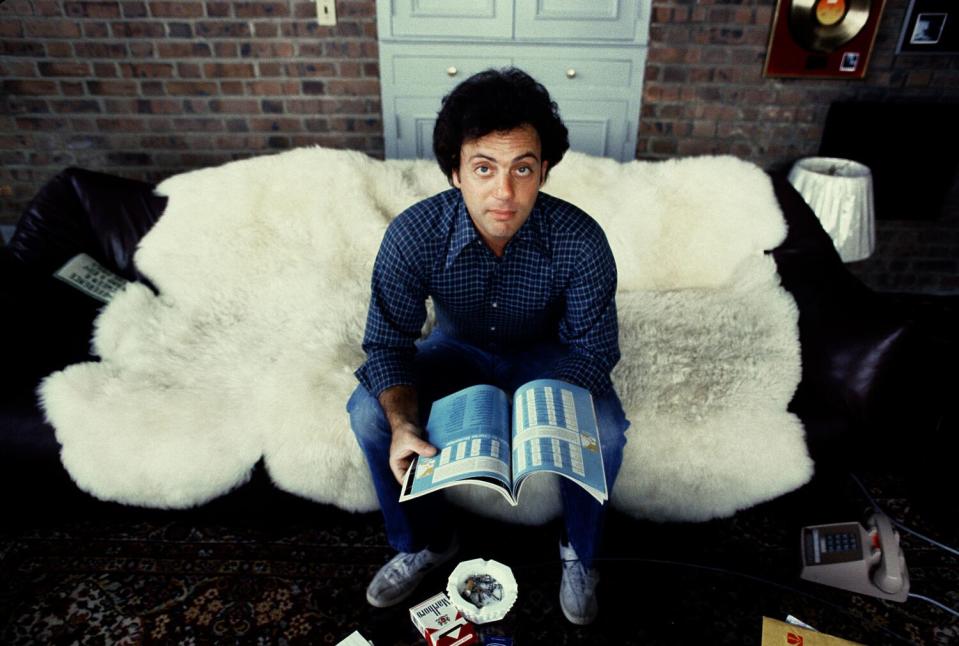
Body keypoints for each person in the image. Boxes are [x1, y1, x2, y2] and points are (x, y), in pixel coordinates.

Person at [347, 67, 630, 626]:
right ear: (455, 173)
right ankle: (424, 542)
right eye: (484, 168)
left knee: (610, 429)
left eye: (523, 169)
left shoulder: (581, 238)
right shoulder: (413, 233)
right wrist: (404, 421)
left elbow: (594, 350)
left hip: (548, 358)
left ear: (544, 171)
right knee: (368, 414)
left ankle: (579, 551)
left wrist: (538, 412)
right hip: (454, 351)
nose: (505, 192)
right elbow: (386, 344)